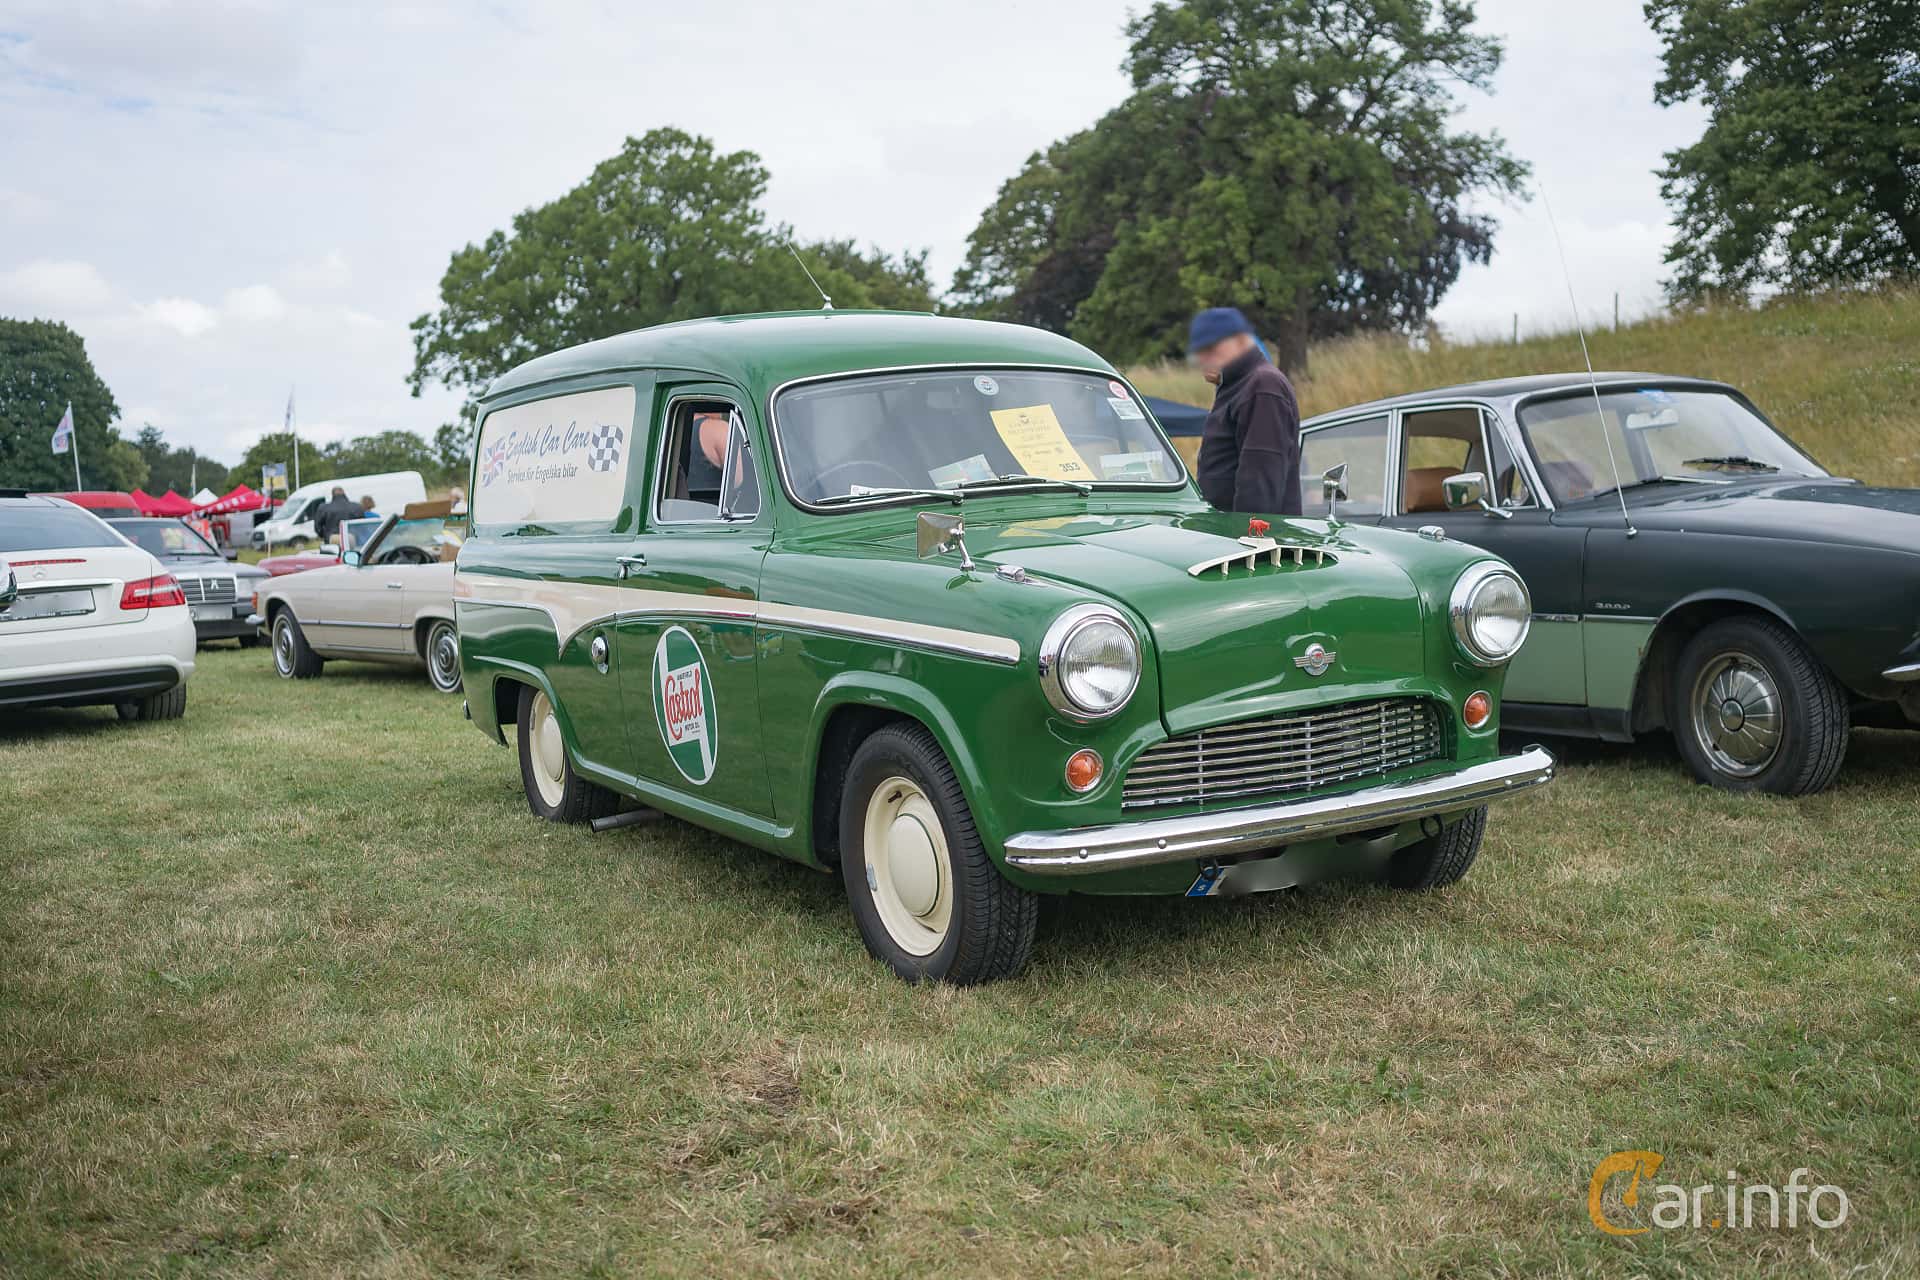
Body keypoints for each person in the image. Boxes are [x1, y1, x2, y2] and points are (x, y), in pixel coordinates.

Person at [1189, 307, 1302, 517]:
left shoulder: (1262, 386)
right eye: (1201, 350)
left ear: (1241, 341)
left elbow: (1259, 481)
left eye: (1213, 347)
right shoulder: (1239, 385)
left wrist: (1245, 539)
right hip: (1227, 534)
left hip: (1251, 541)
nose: (1205, 358)